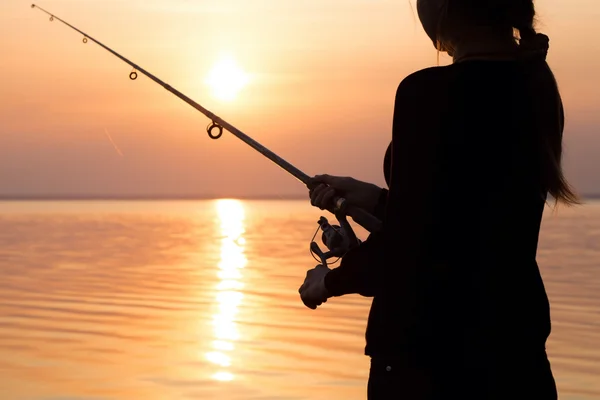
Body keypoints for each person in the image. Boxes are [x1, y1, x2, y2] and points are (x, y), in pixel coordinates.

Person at [298, 0, 580, 399]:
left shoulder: (426, 92)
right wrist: (377, 201)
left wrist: (327, 281)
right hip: (516, 353)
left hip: (430, 362)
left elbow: (411, 250)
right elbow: (466, 218)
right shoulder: (533, 87)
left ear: (445, 9)